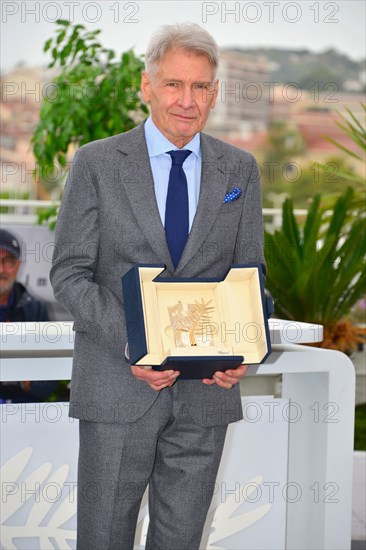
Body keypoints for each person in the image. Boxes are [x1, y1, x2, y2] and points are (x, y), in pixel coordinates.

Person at [50, 23, 266, 550]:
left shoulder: (240, 168)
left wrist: (243, 349)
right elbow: (70, 272)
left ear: (215, 92)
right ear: (146, 86)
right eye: (173, 85)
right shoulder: (98, 163)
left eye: (200, 87)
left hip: (206, 398)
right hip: (118, 386)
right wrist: (134, 343)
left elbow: (251, 275)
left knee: (180, 541)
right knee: (103, 538)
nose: (186, 101)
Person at [0, 228, 56, 402]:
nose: (1, 269)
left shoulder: (35, 309)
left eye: (8, 260)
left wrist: (27, 380)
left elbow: (51, 375)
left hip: (23, 412)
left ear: (18, 265)